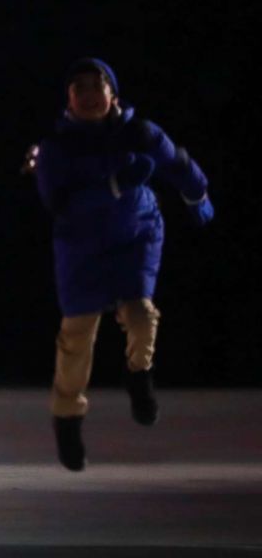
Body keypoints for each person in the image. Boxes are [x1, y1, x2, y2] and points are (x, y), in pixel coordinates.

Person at [33, 58, 213, 471]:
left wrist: (197, 196)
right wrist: (113, 186)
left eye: (98, 86)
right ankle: (68, 419)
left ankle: (139, 374)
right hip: (80, 247)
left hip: (136, 235)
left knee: (141, 315)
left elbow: (176, 162)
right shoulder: (58, 147)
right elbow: (59, 204)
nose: (90, 95)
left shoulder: (139, 132)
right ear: (69, 99)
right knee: (77, 335)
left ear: (114, 94)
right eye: (80, 89)